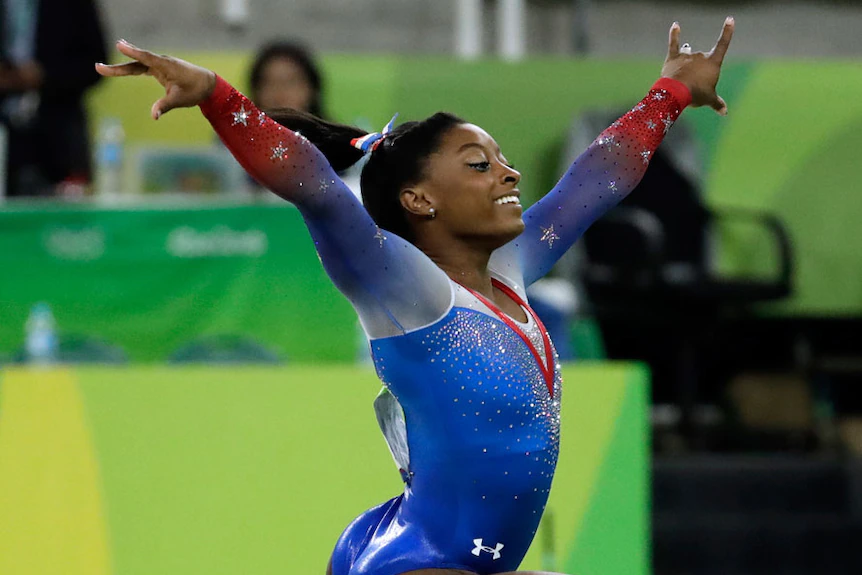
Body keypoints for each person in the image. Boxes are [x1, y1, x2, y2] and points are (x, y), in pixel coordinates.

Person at [96, 17, 734, 575]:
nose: (509, 173)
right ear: (419, 199)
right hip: (419, 562)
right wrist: (215, 94)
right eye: (479, 165)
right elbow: (314, 185)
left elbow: (595, 177)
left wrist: (671, 95)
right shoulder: (406, 288)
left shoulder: (510, 268)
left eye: (502, 160)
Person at [0, 0, 108, 196]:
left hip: (60, 135)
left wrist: (45, 75)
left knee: (64, 221)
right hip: (5, 130)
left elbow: (96, 64)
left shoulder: (72, 5)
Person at [248, 40, 326, 118]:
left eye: (291, 83)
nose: (280, 95)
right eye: (269, 84)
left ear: (312, 89)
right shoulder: (243, 128)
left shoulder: (329, 130)